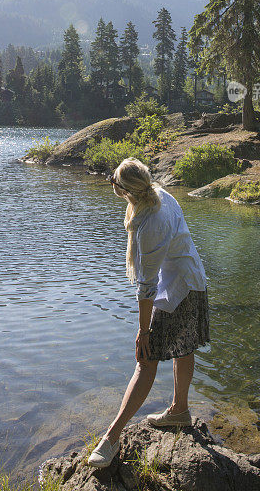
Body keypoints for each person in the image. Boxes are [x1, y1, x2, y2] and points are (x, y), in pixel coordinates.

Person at [88, 157, 210, 468]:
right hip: (191, 278)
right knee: (184, 349)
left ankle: (111, 440)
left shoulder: (151, 223)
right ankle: (179, 411)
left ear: (122, 190)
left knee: (145, 359)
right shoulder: (158, 194)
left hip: (180, 287)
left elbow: (147, 287)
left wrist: (143, 330)